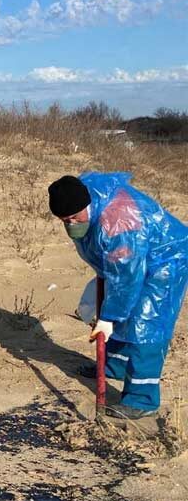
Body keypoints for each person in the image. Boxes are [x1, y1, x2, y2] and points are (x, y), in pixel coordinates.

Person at [49, 173, 188, 419]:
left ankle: (141, 401)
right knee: (121, 311)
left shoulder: (119, 224)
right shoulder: (81, 192)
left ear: (87, 206)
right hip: (131, 259)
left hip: (165, 259)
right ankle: (114, 365)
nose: (71, 224)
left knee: (146, 324)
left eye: (74, 218)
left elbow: (126, 279)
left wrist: (109, 317)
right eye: (64, 220)